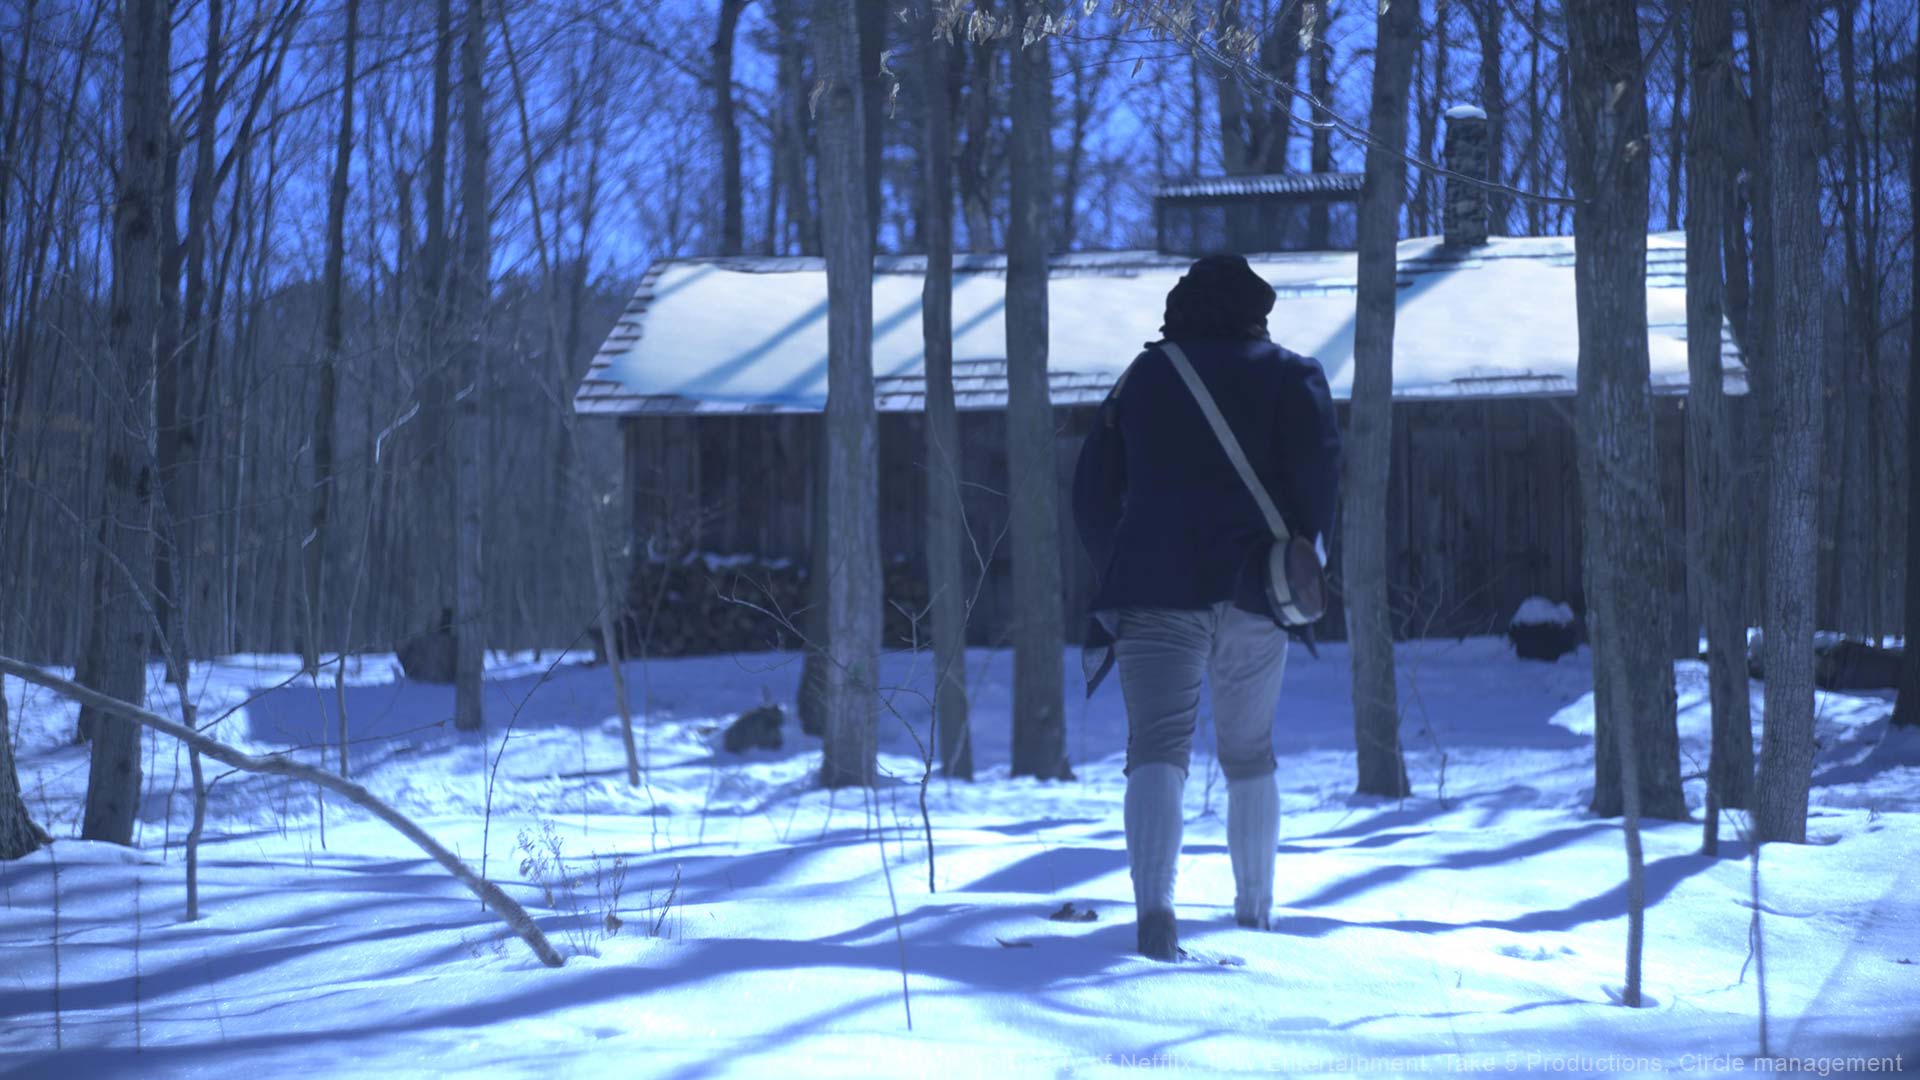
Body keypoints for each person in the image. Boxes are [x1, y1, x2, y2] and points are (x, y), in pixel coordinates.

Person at [1071, 254, 1341, 961]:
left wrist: (1118, 566)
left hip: (1155, 591)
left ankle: (1155, 914)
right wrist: (1303, 558)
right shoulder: (1293, 374)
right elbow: (1318, 488)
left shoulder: (1143, 378)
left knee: (1156, 749)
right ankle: (1254, 912)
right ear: (1257, 308)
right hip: (1258, 592)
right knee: (1249, 752)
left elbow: (1092, 495)